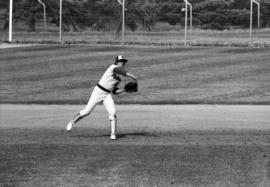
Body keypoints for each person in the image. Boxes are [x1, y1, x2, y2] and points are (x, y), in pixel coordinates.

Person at [66, 55, 137, 140]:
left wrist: (124, 90)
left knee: (112, 112)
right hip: (98, 92)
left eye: (124, 62)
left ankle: (113, 134)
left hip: (107, 95)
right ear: (117, 62)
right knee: (87, 111)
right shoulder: (112, 67)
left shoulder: (119, 78)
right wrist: (133, 77)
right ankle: (72, 121)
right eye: (121, 61)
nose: (123, 63)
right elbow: (120, 71)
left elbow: (114, 91)